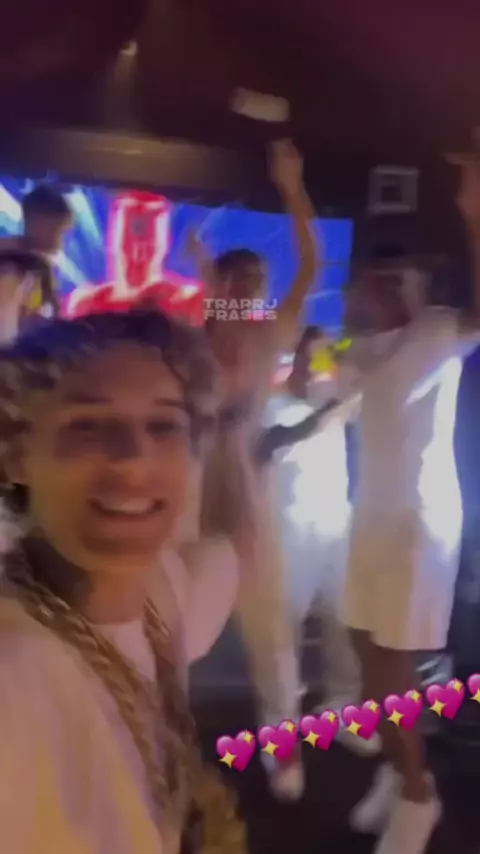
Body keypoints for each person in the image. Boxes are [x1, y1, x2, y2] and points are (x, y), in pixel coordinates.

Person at [0, 309, 246, 854]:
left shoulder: (161, 591)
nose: (134, 459)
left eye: (164, 425)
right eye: (86, 424)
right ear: (14, 453)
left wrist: (232, 423)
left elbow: (229, 548)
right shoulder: (13, 674)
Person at [336, 151, 480, 854]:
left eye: (387, 278)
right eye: (367, 276)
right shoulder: (360, 350)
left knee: (392, 667)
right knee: (367, 655)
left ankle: (420, 796)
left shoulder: (439, 334)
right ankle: (399, 772)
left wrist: (472, 209)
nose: (368, 288)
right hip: (370, 519)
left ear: (411, 288)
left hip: (417, 525)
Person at [194, 140, 319, 800]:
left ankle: (282, 745)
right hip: (188, 491)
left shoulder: (267, 329)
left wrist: (291, 187)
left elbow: (311, 267)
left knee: (268, 629)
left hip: (245, 491)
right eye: (236, 280)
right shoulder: (193, 338)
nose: (247, 289)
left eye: (255, 281)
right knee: (161, 615)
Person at [261, 326, 381, 758]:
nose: (316, 366)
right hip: (286, 534)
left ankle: (343, 711)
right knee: (281, 636)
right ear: (293, 359)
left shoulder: (336, 396)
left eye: (323, 357)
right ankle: (278, 731)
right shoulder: (269, 403)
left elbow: (371, 379)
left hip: (336, 528)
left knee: (346, 625)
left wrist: (346, 370)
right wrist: (329, 412)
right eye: (308, 357)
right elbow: (271, 442)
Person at [0, 185, 73, 327]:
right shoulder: (7, 258)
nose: (60, 243)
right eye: (57, 231)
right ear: (35, 222)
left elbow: (55, 309)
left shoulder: (42, 266)